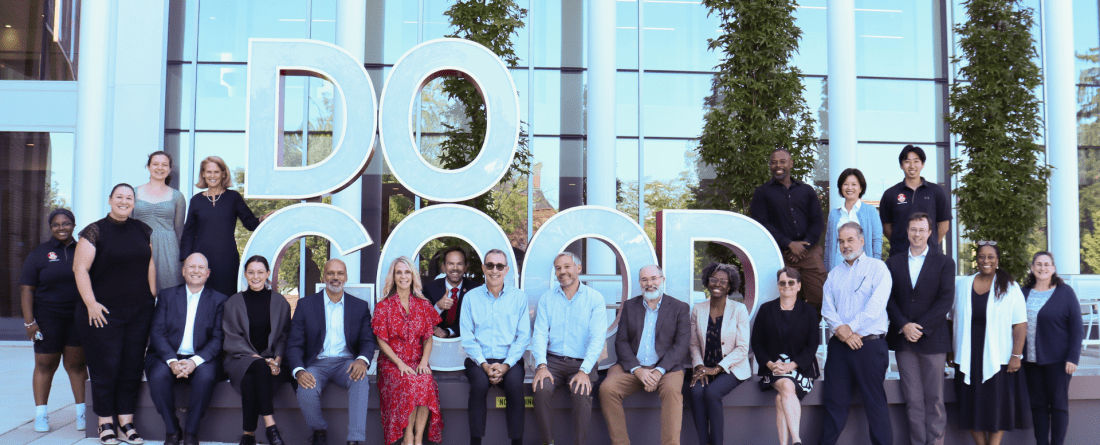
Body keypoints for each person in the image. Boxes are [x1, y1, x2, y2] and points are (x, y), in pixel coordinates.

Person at [73, 184, 157, 445]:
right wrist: (91, 303)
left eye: (128, 198)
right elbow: (80, 269)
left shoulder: (143, 230)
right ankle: (104, 423)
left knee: (131, 367)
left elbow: (150, 263)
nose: (123, 201)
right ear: (110, 200)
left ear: (135, 203)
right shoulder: (95, 230)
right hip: (103, 313)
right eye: (119, 197)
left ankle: (126, 423)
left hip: (139, 312)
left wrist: (153, 297)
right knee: (105, 368)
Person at [819, 222, 893, 445]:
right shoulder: (834, 274)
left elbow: (876, 305)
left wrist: (848, 328)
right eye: (841, 241)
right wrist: (843, 333)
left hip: (869, 347)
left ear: (862, 241)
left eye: (850, 240)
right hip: (840, 348)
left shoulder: (877, 268)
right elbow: (827, 309)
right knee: (834, 403)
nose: (845, 245)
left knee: (875, 405)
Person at [288, 259, 376, 445]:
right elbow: (294, 344)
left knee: (361, 381)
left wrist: (361, 360)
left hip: (346, 363)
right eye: (330, 273)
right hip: (316, 363)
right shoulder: (306, 305)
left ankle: (354, 440)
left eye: (340, 273)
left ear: (346, 277)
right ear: (323, 277)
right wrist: (299, 370)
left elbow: (368, 340)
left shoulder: (359, 306)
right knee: (305, 390)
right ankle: (319, 431)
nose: (335, 277)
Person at [885, 213, 955, 445]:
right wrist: (904, 325)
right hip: (904, 341)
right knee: (913, 400)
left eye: (921, 230)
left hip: (933, 340)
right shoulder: (893, 262)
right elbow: (889, 299)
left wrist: (920, 328)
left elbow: (945, 300)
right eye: (913, 229)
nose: (917, 234)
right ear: (907, 232)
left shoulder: (944, 262)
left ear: (929, 233)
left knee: (934, 399)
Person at [601, 265, 690, 445]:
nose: (649, 283)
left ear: (662, 280)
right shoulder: (630, 306)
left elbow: (681, 345)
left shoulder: (679, 307)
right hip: (633, 368)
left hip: (667, 368)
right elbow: (622, 342)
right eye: (644, 280)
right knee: (607, 389)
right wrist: (637, 370)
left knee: (673, 391)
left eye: (654, 278)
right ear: (640, 283)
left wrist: (658, 372)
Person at [145, 253, 228, 445]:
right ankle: (172, 430)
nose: (196, 271)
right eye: (191, 267)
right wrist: (172, 361)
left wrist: (194, 361)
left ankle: (191, 432)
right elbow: (157, 332)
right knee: (158, 376)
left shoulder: (219, 300)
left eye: (201, 268)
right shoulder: (166, 295)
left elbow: (218, 338)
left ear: (208, 273)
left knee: (206, 376)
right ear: (183, 271)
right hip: (167, 356)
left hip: (201, 357)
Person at [951, 242, 1029, 445]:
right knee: (969, 404)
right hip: (968, 354)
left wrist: (1016, 355)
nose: (986, 261)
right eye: (981, 257)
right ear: (976, 260)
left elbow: (1020, 324)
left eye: (990, 257)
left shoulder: (1010, 287)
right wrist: (951, 351)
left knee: (997, 406)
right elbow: (951, 318)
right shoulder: (963, 285)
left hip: (998, 356)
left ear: (997, 260)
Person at [19, 208, 87, 433]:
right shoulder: (40, 253)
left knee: (76, 366)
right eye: (56, 224)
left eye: (66, 223)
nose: (61, 228)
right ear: (50, 227)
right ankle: (41, 416)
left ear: (73, 225)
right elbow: (27, 289)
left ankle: (81, 413)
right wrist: (30, 322)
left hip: (77, 317)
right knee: (45, 365)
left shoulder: (83, 251)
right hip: (47, 318)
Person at [530, 252, 607, 445]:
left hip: (582, 362)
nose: (562, 272)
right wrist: (541, 365)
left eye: (567, 266)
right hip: (552, 361)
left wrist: (584, 371)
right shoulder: (547, 298)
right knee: (541, 388)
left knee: (582, 393)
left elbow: (597, 338)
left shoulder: (594, 298)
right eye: (558, 268)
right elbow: (540, 333)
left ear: (578, 268)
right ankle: (549, 442)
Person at [459, 249, 530, 445]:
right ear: (483, 268)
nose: (494, 270)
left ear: (506, 270)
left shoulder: (519, 298)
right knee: (479, 385)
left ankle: (517, 441)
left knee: (515, 386)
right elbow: (467, 337)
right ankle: (476, 441)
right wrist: (484, 364)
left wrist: (506, 365)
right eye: (490, 265)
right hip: (478, 359)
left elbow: (523, 337)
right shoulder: (471, 298)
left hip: (510, 359)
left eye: (500, 266)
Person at [373, 256, 444, 445]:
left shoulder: (423, 305)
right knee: (409, 382)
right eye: (399, 272)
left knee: (426, 381)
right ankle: (408, 437)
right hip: (391, 363)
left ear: (413, 276)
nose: (403, 276)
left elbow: (429, 337)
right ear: (393, 277)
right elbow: (381, 340)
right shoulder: (383, 306)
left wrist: (423, 362)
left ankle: (418, 437)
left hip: (417, 360)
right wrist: (400, 363)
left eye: (407, 272)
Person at [222, 256, 289, 445]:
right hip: (239, 359)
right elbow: (232, 338)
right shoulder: (233, 302)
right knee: (258, 365)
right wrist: (260, 360)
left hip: (271, 361)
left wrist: (276, 361)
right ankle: (271, 426)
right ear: (244, 274)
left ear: (268, 274)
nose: (255, 276)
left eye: (260, 272)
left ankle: (248, 435)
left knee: (251, 379)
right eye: (251, 272)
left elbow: (284, 336)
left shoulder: (280, 302)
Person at [750, 148, 826, 310]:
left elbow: (817, 221)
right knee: (786, 300)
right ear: (770, 165)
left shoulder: (806, 190)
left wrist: (803, 245)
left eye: (782, 161)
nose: (778, 165)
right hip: (780, 254)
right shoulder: (762, 192)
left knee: (819, 297)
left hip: (809, 252)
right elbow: (762, 224)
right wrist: (789, 244)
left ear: (791, 164)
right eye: (774, 162)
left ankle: (808, 330)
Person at [752, 267, 820, 445]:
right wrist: (769, 364)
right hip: (773, 368)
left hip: (801, 368)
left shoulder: (810, 312)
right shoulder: (766, 310)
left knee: (781, 397)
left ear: (798, 286)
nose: (786, 286)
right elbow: (756, 342)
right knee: (787, 386)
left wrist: (792, 366)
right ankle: (797, 440)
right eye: (782, 282)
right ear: (778, 286)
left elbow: (812, 345)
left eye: (791, 282)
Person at [1021, 252, 1083, 445]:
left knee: (1058, 406)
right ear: (1032, 268)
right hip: (1030, 361)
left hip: (1058, 361)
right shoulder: (1023, 292)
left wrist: (1073, 357)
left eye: (1047, 264)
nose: (1042, 268)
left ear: (1053, 269)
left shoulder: (1065, 292)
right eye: (1038, 264)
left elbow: (1077, 327)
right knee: (1037, 406)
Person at [687, 262, 750, 445]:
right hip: (704, 366)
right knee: (696, 392)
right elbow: (693, 344)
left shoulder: (739, 310)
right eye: (714, 280)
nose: (717, 284)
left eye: (723, 281)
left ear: (730, 286)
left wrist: (716, 369)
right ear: (707, 282)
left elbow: (742, 348)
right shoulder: (698, 309)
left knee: (712, 393)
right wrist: (700, 366)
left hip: (731, 368)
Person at [180, 156, 261, 298]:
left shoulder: (233, 197)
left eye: (216, 172)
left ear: (224, 174)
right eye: (208, 172)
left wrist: (262, 219)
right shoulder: (196, 200)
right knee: (201, 301)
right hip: (200, 262)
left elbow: (249, 222)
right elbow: (188, 234)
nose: (212, 176)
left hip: (226, 260)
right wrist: (187, 261)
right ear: (203, 174)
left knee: (226, 301)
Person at [879, 145, 951, 257]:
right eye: (907, 161)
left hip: (930, 257)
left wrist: (931, 243)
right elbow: (886, 227)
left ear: (922, 164)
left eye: (916, 161)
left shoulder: (936, 191)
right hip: (900, 256)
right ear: (901, 165)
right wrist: (900, 242)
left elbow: (944, 224)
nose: (912, 166)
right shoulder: (890, 194)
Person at [133, 150, 186, 292]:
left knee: (169, 295)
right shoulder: (133, 192)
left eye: (164, 165)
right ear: (148, 166)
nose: (160, 168)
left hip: (169, 250)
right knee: (139, 291)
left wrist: (184, 260)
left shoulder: (178, 196)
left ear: (170, 169)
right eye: (155, 164)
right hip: (140, 247)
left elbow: (179, 230)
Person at [824, 168, 883, 271]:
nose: (849, 188)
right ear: (841, 187)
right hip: (838, 268)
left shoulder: (871, 211)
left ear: (861, 188)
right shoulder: (834, 214)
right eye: (845, 184)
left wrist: (875, 268)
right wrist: (827, 269)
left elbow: (877, 241)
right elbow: (828, 244)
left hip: (864, 270)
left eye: (854, 184)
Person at [423, 246, 481, 338]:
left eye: (459, 264)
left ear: (465, 267)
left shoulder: (475, 290)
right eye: (450, 264)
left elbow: (476, 321)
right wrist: (438, 307)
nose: (455, 268)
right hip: (435, 345)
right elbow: (421, 320)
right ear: (444, 267)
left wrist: (448, 331)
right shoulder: (429, 288)